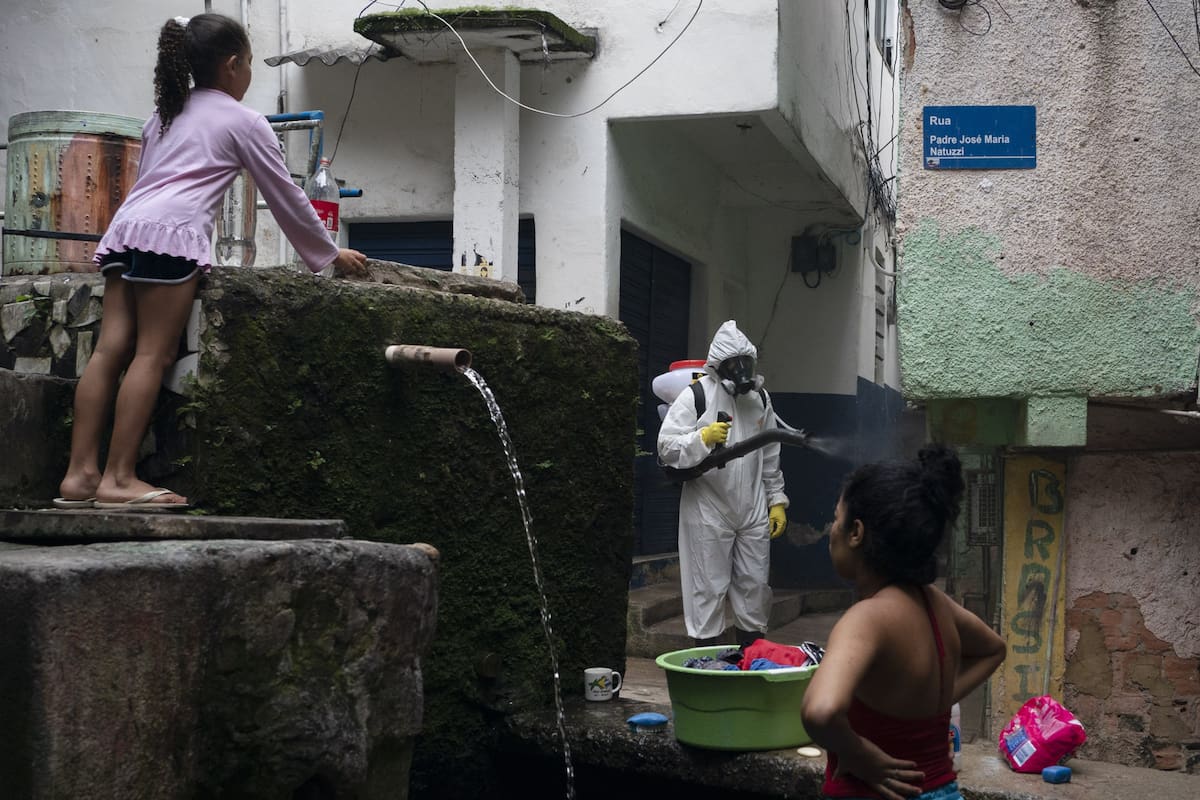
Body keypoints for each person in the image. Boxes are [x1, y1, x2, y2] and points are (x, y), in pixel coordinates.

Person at [54, 13, 367, 511]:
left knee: (109, 350)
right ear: (230, 65)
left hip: (125, 231)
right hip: (170, 237)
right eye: (247, 64)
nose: (248, 75)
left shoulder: (163, 116)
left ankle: (78, 477)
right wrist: (329, 253)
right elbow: (283, 193)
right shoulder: (243, 121)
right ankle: (118, 478)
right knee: (152, 355)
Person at [800, 444, 1007, 800]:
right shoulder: (937, 605)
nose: (831, 530)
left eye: (836, 518)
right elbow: (994, 650)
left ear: (856, 532)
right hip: (942, 791)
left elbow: (820, 711)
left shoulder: (866, 618)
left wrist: (859, 754)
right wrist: (935, 704)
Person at [657, 320, 789, 648]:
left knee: (755, 588)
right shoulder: (698, 395)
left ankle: (751, 658)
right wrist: (701, 437)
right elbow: (667, 446)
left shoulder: (759, 399)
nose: (743, 371)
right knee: (706, 588)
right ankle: (708, 664)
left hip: (753, 507)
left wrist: (776, 500)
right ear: (719, 367)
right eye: (735, 365)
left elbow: (770, 453)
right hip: (708, 506)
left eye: (747, 363)